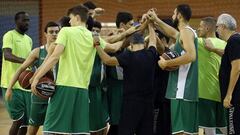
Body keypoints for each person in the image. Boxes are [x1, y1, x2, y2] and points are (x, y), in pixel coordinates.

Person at [31, 5, 104, 134]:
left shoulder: (66, 31)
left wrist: (36, 77)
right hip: (83, 91)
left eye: (70, 18)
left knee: (52, 130)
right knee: (78, 132)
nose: (69, 21)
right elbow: (114, 46)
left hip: (64, 87)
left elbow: (54, 57)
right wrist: (133, 30)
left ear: (76, 18)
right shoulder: (93, 36)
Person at [95, 21, 158, 135]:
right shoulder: (151, 54)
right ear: (144, 44)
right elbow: (153, 41)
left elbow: (108, 60)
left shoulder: (128, 56)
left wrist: (97, 45)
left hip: (131, 103)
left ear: (132, 45)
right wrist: (150, 24)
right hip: (148, 104)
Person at [148, 4, 198, 135]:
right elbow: (172, 32)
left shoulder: (186, 32)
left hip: (183, 89)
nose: (172, 16)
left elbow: (191, 55)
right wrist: (156, 20)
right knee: (181, 130)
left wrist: (167, 63)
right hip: (182, 90)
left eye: (174, 14)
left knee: (182, 132)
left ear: (179, 15)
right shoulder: (184, 32)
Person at [5, 21, 59, 135]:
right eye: (51, 32)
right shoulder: (38, 51)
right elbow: (21, 69)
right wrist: (9, 88)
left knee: (52, 130)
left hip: (56, 95)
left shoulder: (62, 51)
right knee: (32, 129)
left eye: (57, 32)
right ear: (45, 34)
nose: (54, 34)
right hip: (38, 96)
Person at [1, 11, 32, 135]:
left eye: (28, 20)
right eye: (24, 20)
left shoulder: (29, 40)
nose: (27, 23)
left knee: (25, 122)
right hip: (11, 84)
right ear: (16, 21)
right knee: (18, 120)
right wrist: (25, 61)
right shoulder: (9, 35)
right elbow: (7, 55)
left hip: (25, 85)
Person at [197, 17, 227, 135]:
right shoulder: (226, 44)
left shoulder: (201, 42)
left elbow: (179, 35)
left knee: (206, 130)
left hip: (205, 93)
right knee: (222, 129)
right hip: (223, 94)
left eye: (200, 26)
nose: (198, 29)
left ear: (207, 27)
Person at [217, 13, 240, 135]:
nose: (217, 30)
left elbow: (237, 67)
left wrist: (228, 94)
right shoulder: (235, 41)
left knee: (234, 129)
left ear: (223, 26)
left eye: (217, 27)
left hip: (235, 98)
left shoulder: (234, 41)